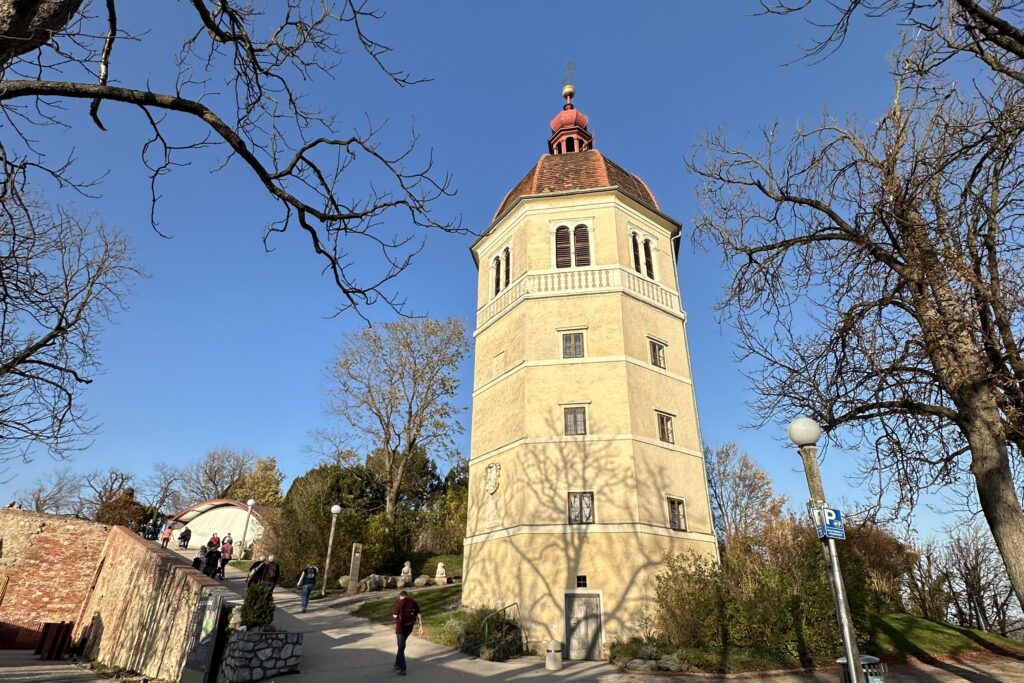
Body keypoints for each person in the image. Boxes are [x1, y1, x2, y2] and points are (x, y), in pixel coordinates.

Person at [391, 591, 423, 675]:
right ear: (406, 596)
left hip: (401, 629)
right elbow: (419, 614)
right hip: (409, 628)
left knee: (401, 648)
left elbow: (394, 615)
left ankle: (403, 669)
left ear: (400, 596)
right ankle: (397, 664)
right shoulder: (413, 602)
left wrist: (396, 618)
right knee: (401, 646)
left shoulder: (399, 603)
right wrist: (421, 626)